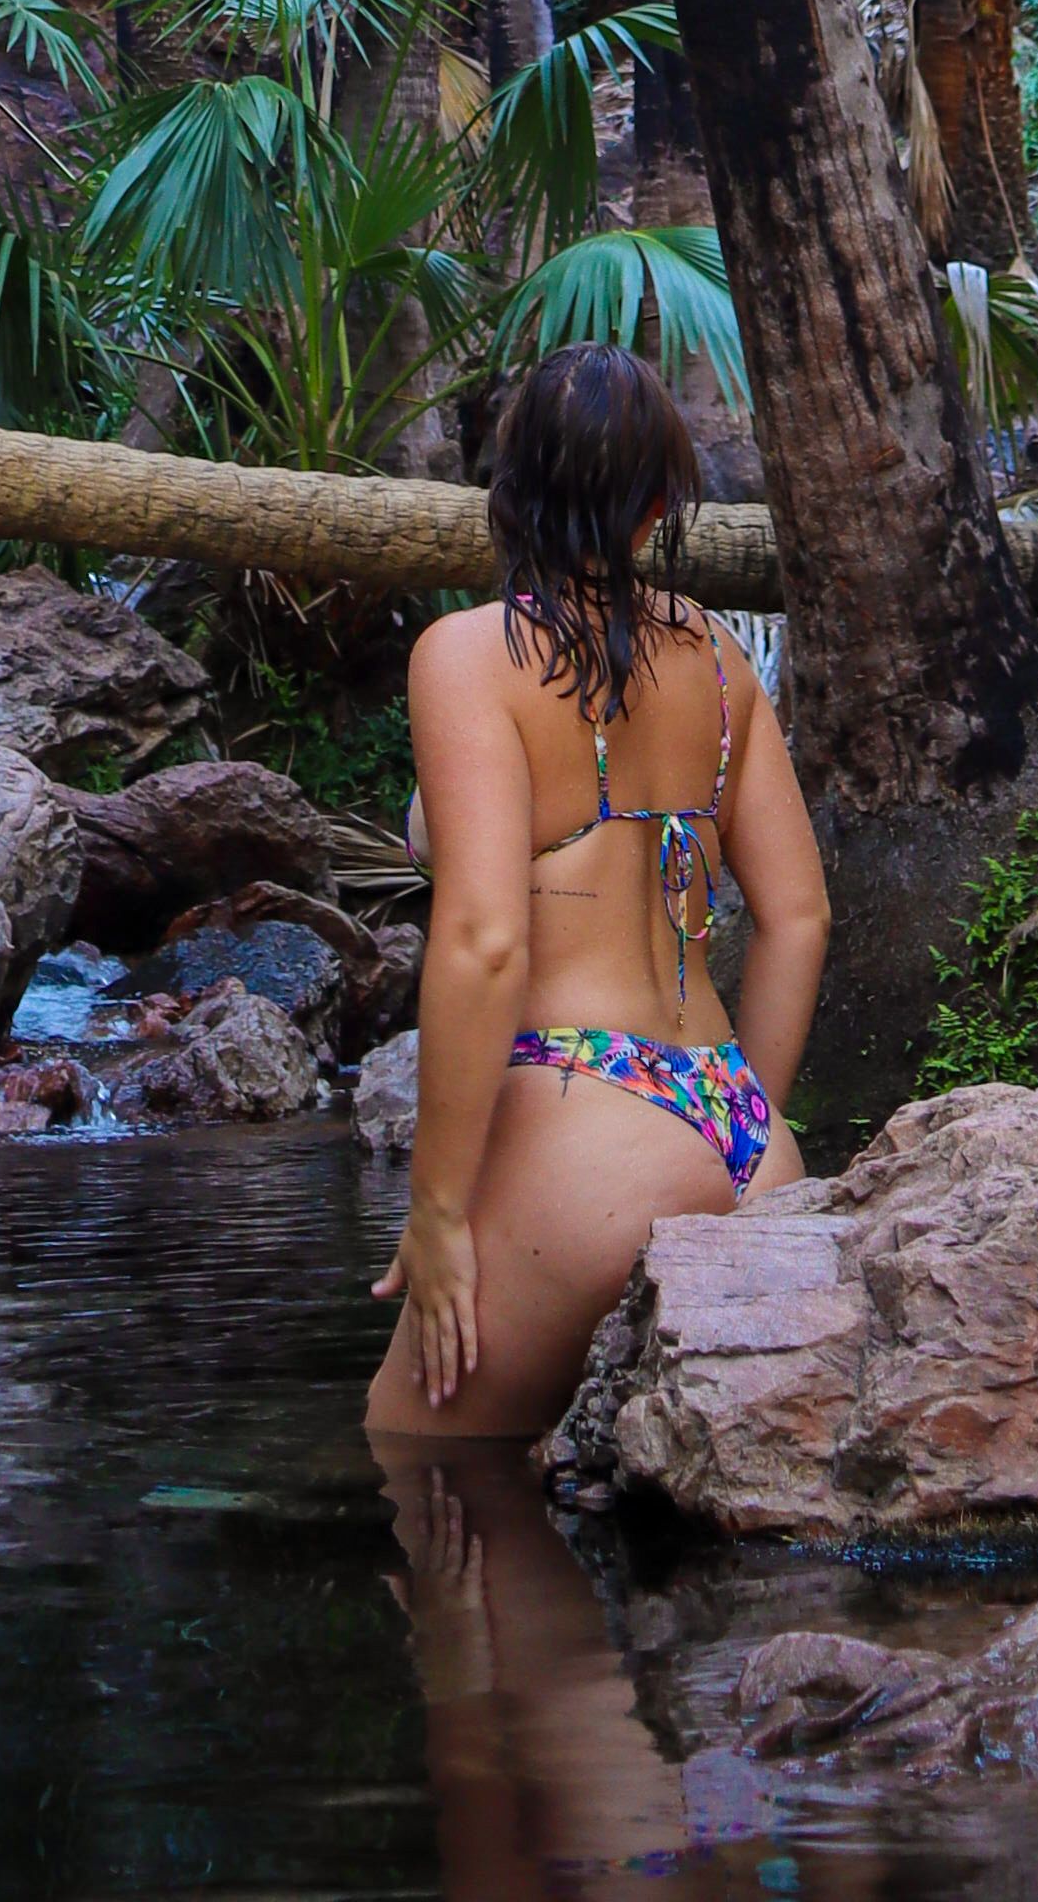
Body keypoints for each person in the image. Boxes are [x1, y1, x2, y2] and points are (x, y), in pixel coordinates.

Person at [367, 345, 829, 1448]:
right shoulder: (719, 657)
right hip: (744, 1136)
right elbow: (799, 918)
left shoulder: (469, 657)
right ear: (660, 502)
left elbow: (482, 941)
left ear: (509, 484)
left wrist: (434, 1214)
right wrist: (731, 1117)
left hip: (581, 1134)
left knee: (421, 1482)